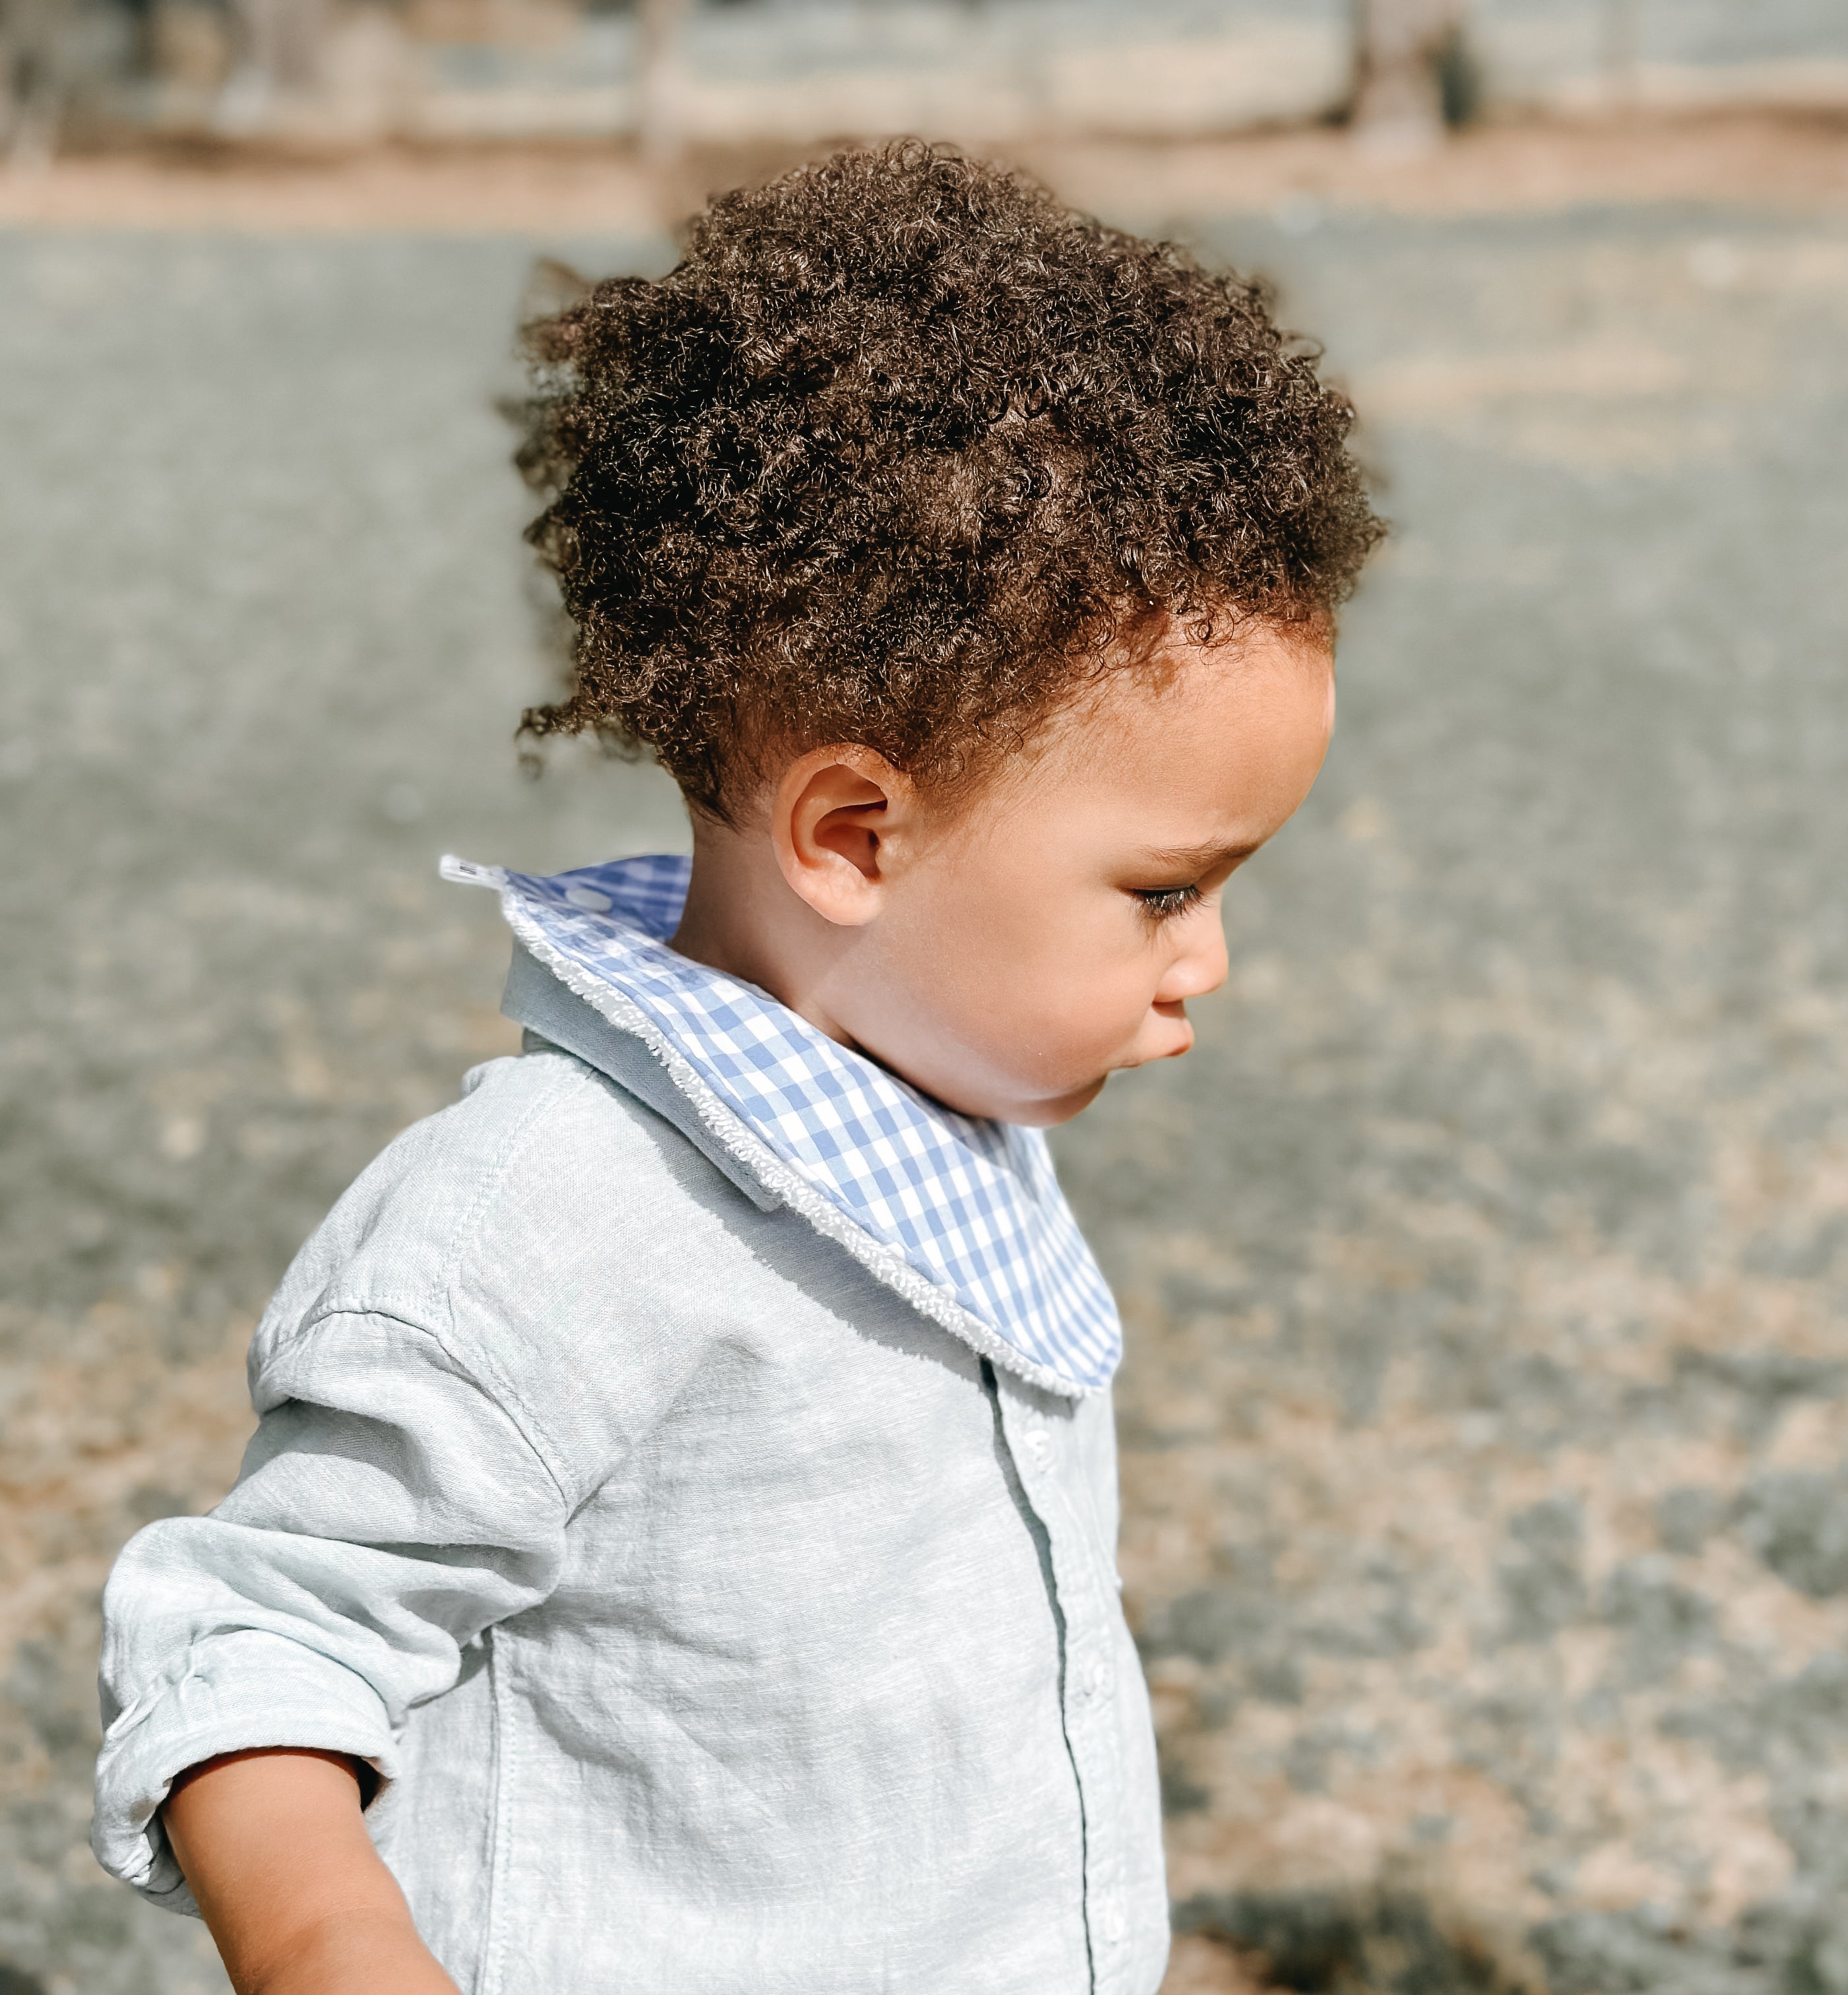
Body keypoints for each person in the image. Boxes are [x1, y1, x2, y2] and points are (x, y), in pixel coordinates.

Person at [91, 141, 1382, 1994]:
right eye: (1165, 891)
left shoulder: (913, 1090)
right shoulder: (542, 1226)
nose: (1212, 963)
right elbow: (256, 1638)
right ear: (854, 836)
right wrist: (325, 1954)